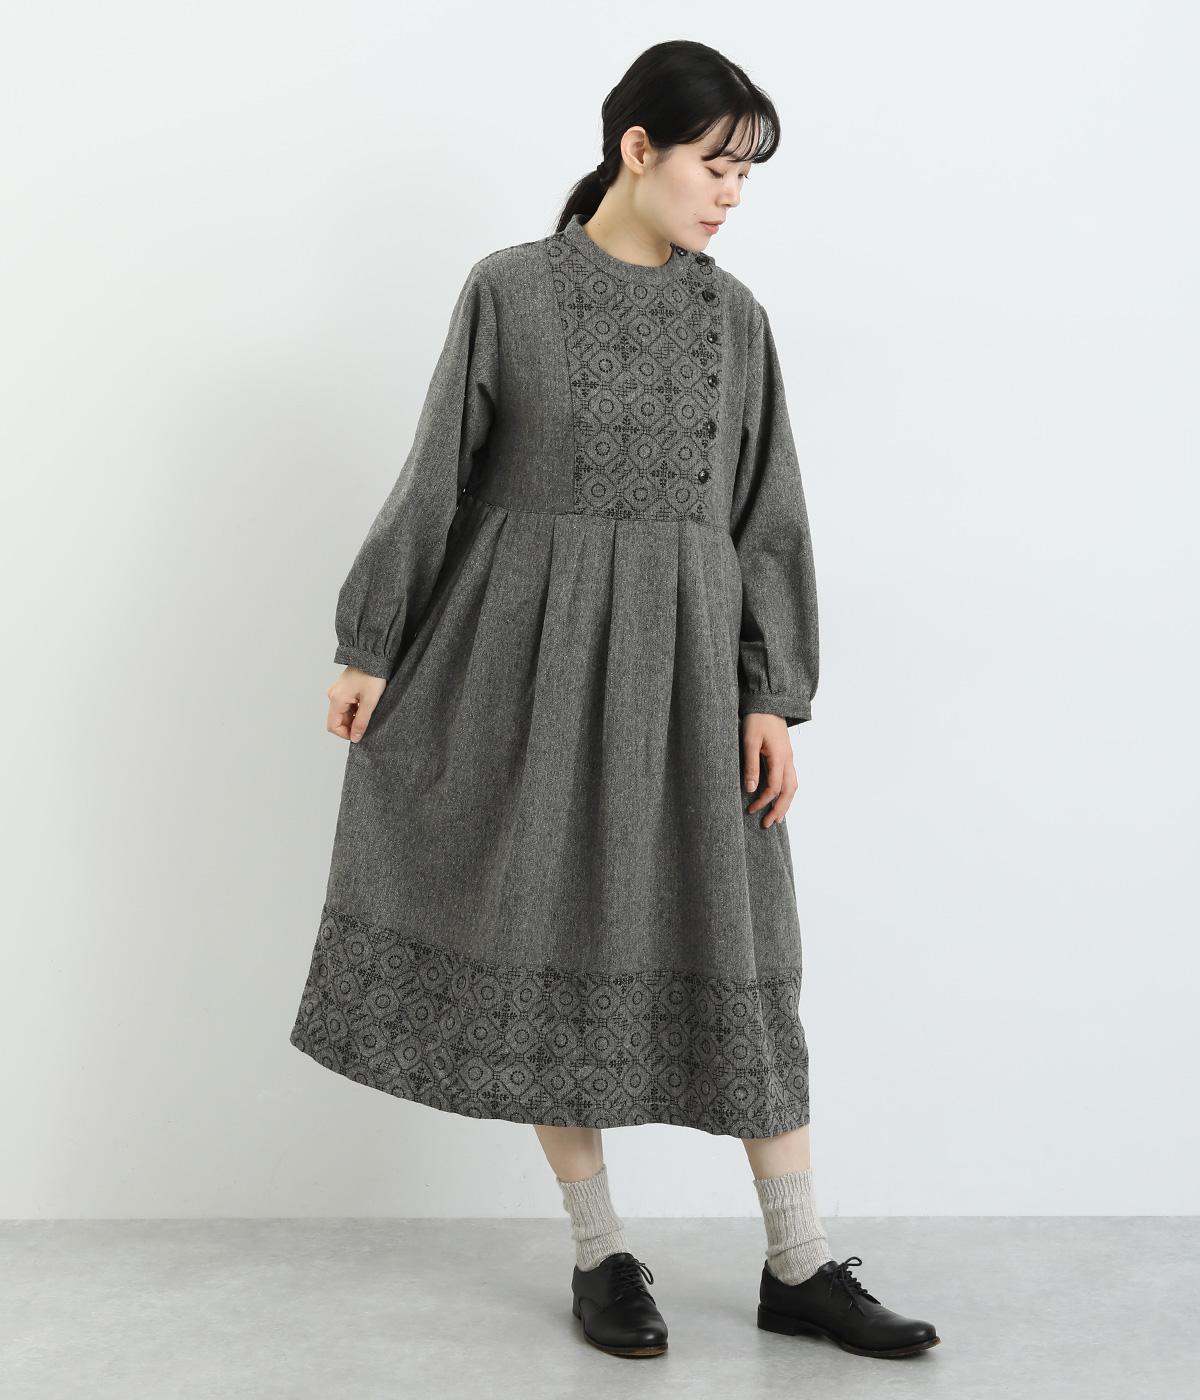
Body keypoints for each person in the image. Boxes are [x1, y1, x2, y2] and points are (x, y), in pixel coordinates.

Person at [289, 38, 939, 1361]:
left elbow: (767, 515)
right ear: (636, 148)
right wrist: (372, 645)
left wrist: (772, 695)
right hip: (523, 671)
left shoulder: (734, 318)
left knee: (745, 947)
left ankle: (800, 1262)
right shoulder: (509, 291)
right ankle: (601, 1254)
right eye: (716, 164)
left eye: (748, 174)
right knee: (548, 931)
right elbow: (437, 474)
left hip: (693, 682)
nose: (732, 194)